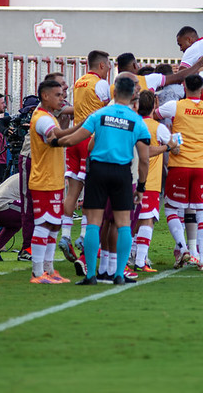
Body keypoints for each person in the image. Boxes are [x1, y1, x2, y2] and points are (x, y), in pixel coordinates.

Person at [53, 75, 151, 285]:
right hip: (122, 173)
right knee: (124, 224)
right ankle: (118, 274)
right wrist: (141, 186)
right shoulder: (137, 121)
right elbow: (144, 159)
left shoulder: (100, 114)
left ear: (114, 93)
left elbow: (76, 138)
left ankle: (91, 276)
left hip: (97, 171)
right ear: (133, 95)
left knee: (94, 224)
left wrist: (54, 142)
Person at [155, 74, 203, 271]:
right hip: (202, 167)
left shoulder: (175, 106)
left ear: (184, 86)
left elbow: (153, 115)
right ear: (202, 89)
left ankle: (183, 248)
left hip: (179, 164)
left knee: (172, 209)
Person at [28, 79, 84, 284]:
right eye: (58, 95)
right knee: (43, 224)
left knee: (52, 226)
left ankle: (49, 269)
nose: (62, 98)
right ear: (45, 96)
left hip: (53, 181)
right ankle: (37, 273)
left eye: (62, 95)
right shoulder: (42, 118)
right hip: (43, 181)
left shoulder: (48, 116)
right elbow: (56, 135)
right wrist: (80, 127)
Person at [61, 51, 111, 261]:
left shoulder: (79, 82)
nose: (109, 69)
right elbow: (109, 110)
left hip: (74, 135)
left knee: (72, 191)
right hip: (91, 139)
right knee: (92, 191)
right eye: (108, 66)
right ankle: (82, 235)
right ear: (101, 65)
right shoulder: (101, 84)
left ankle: (64, 236)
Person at [133, 90, 179, 272]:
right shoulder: (157, 127)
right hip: (148, 181)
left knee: (132, 221)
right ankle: (140, 261)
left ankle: (133, 255)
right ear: (155, 105)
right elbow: (173, 147)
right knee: (147, 221)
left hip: (129, 179)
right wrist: (169, 146)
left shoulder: (133, 123)